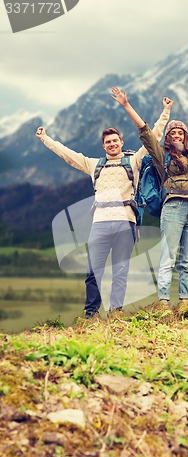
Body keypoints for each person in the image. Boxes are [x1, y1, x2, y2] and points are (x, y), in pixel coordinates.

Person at [35, 97, 173, 318]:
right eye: (108, 142)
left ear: (121, 141)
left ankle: (116, 311)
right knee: (93, 271)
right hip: (99, 223)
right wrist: (45, 139)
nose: (112, 144)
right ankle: (91, 313)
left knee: (120, 270)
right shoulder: (94, 165)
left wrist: (165, 111)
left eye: (115, 141)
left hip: (125, 222)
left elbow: (153, 136)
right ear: (103, 146)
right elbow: (68, 155)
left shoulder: (133, 161)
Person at [111, 86, 188, 307]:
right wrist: (126, 105)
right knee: (168, 256)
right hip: (173, 207)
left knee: (187, 259)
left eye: (180, 133)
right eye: (173, 133)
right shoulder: (162, 156)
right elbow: (146, 132)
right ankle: (163, 302)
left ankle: (185, 301)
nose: (177, 135)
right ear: (168, 137)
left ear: (186, 137)